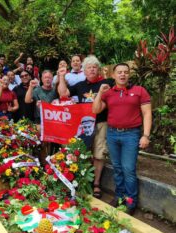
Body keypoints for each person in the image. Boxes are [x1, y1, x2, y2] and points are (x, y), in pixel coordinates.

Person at [93, 63, 152, 215]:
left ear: (129, 74)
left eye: (126, 72)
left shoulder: (139, 91)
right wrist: (99, 93)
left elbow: (147, 113)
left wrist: (145, 135)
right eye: (119, 72)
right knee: (117, 169)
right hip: (112, 134)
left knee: (128, 169)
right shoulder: (109, 93)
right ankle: (119, 197)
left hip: (131, 134)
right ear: (113, 75)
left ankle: (131, 202)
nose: (123, 75)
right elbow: (95, 109)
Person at [58, 55, 114, 199]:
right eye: (89, 67)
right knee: (82, 153)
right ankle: (82, 182)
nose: (92, 70)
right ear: (84, 70)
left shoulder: (107, 83)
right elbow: (63, 94)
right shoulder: (80, 85)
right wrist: (62, 77)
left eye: (95, 67)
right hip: (84, 125)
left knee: (99, 154)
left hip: (102, 123)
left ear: (99, 69)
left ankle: (96, 183)